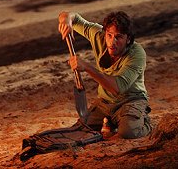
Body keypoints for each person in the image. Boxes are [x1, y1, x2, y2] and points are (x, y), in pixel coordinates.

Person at [58, 11, 152, 139]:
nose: (112, 42)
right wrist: (66, 21)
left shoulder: (137, 54)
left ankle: (145, 122)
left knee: (128, 133)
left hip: (131, 100)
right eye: (109, 35)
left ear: (128, 39)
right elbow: (71, 16)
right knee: (81, 129)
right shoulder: (99, 35)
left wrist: (86, 67)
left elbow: (117, 88)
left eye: (118, 37)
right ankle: (111, 122)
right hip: (104, 102)